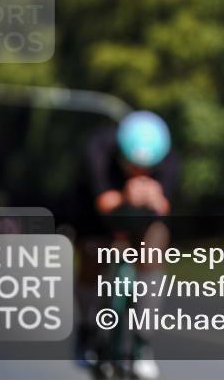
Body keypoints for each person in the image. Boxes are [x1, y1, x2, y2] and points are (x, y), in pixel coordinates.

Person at [74, 110, 179, 380]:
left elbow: (164, 206)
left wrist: (155, 199)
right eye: (133, 165)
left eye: (146, 168)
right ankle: (87, 328)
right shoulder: (98, 148)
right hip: (97, 214)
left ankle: (142, 342)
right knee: (92, 252)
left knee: (155, 245)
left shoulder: (168, 159)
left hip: (143, 217)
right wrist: (125, 195)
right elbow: (104, 203)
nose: (139, 172)